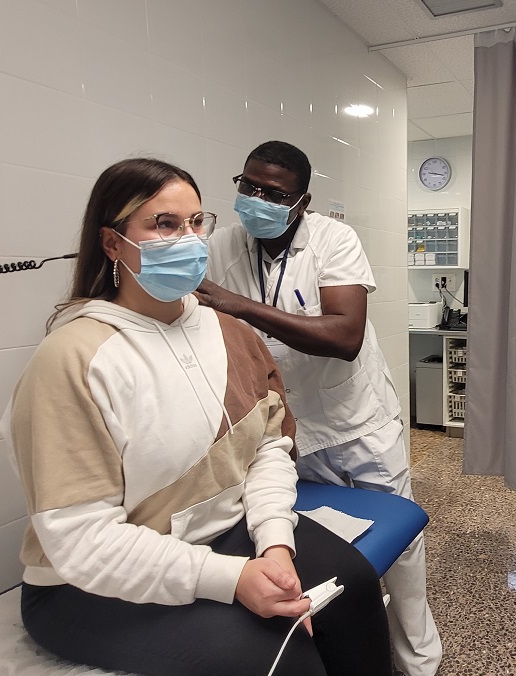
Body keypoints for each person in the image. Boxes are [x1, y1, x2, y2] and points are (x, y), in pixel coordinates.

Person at [0, 157, 392, 676]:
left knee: (355, 586)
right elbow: (79, 539)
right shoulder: (74, 357)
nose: (188, 239)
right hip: (86, 585)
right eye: (164, 224)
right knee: (278, 657)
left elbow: (268, 448)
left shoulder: (229, 332)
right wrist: (228, 578)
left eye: (196, 223)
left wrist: (275, 542)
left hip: (223, 530)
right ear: (114, 243)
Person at [196, 141, 443, 676]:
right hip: (287, 433)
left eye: (275, 193)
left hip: (358, 426)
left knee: (399, 550)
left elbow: (344, 335)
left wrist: (238, 305)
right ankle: (341, 648)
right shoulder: (220, 245)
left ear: (301, 201)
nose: (258, 199)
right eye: (249, 186)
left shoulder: (334, 239)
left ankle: (419, 661)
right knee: (320, 549)